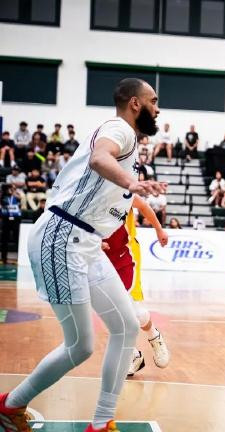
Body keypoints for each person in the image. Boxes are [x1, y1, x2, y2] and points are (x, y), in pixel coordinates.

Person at [0, 78, 167, 432]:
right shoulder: (119, 130)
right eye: (153, 100)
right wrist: (130, 183)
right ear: (135, 103)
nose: (158, 107)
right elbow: (99, 157)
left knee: (126, 327)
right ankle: (10, 405)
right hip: (62, 236)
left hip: (84, 240)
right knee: (80, 346)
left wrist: (99, 232)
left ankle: (102, 423)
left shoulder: (130, 144)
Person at [102, 196, 170, 377]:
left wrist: (159, 230)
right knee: (111, 313)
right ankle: (133, 356)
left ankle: (154, 337)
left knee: (134, 311)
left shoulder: (123, 191)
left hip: (127, 255)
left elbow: (145, 207)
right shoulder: (90, 194)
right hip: (102, 258)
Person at [1, 184, 22, 264]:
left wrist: (13, 192)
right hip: (6, 220)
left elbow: (20, 198)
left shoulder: (16, 196)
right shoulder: (3, 197)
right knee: (4, 240)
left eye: (12, 188)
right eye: (10, 188)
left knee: (17, 239)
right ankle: (4, 259)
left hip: (15, 220)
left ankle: (19, 258)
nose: (11, 190)